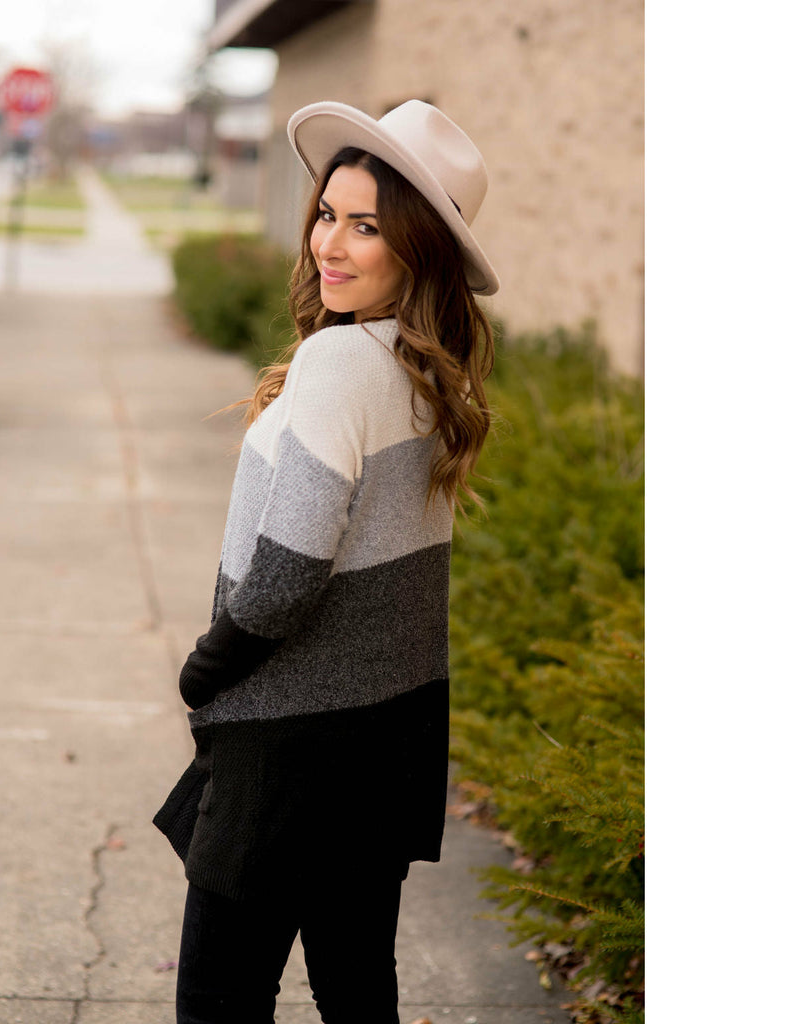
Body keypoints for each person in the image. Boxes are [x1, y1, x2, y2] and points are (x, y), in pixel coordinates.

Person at [153, 99, 500, 1024]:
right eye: (327, 214)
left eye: (367, 226)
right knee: (355, 990)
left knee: (220, 999)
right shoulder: (432, 372)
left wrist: (208, 667)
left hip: (289, 746)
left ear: (419, 249)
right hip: (388, 738)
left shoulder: (341, 365)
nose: (329, 245)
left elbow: (289, 568)